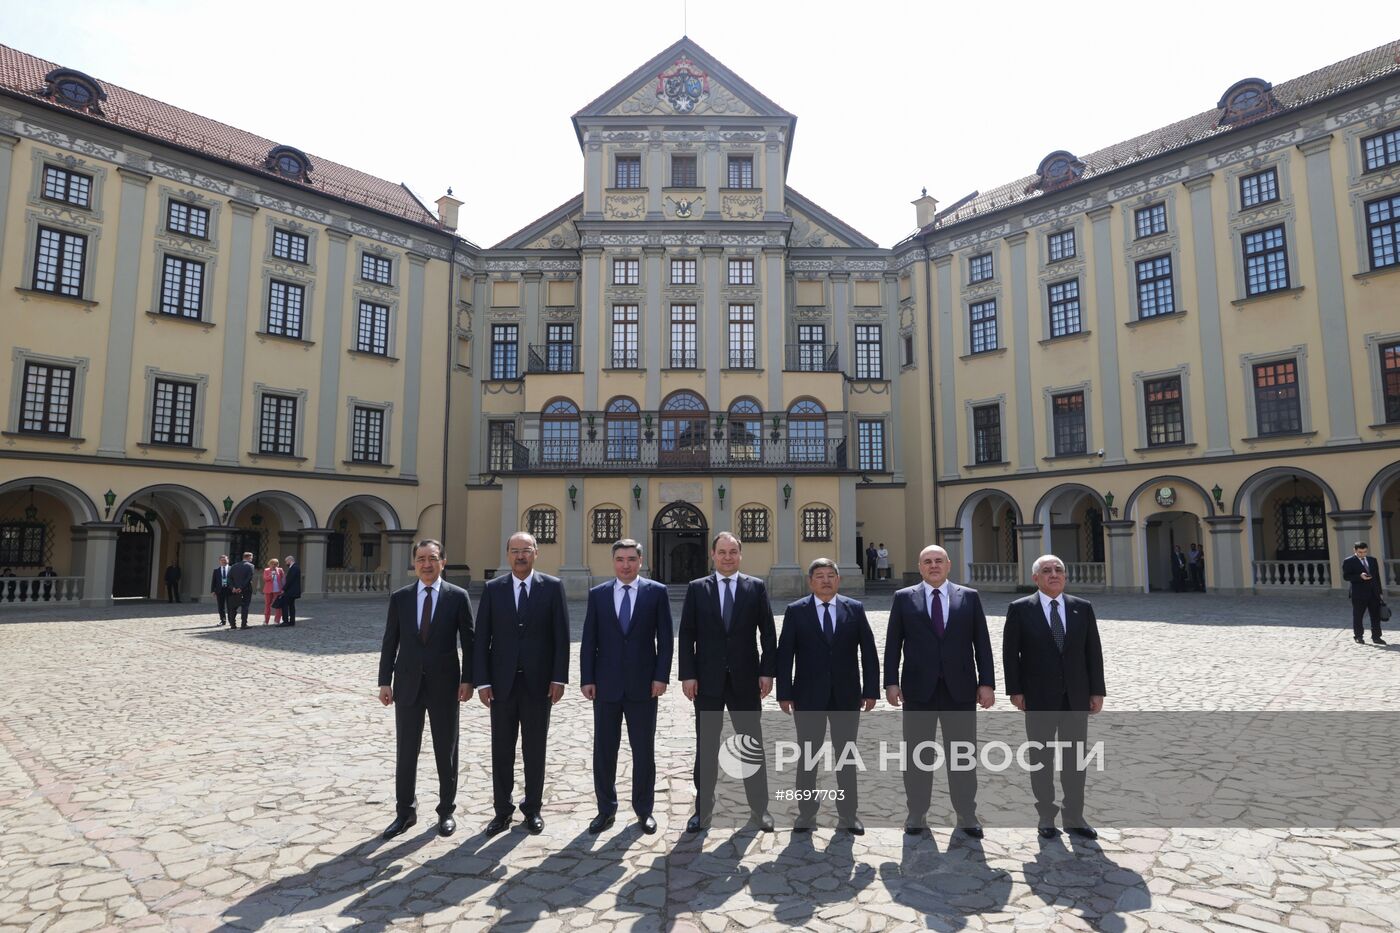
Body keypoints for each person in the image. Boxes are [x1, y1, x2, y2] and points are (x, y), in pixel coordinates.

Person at [885, 544, 996, 838]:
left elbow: (981, 643)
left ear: (948, 565)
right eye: (927, 562)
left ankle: (966, 813)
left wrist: (987, 683)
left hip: (960, 689)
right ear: (920, 567)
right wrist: (890, 682)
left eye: (938, 561)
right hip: (918, 689)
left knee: (962, 754)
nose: (933, 565)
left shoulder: (969, 598)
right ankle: (916, 813)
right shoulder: (903, 598)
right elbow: (893, 643)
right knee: (917, 755)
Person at [678, 531, 777, 833]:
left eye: (733, 552)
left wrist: (767, 671)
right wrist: (688, 675)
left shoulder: (755, 587)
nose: (727, 557)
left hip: (746, 680)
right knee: (707, 746)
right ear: (712, 555)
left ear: (740, 555)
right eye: (722, 552)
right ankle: (702, 809)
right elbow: (687, 635)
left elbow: (768, 634)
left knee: (750, 744)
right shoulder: (697, 589)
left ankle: (760, 810)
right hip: (707, 681)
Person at [1003, 554, 1106, 840]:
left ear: (1065, 576)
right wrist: (1015, 691)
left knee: (1075, 758)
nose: (1053, 574)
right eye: (1046, 571)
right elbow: (1011, 655)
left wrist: (1097, 690)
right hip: (1038, 696)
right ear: (1035, 578)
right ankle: (1046, 815)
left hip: (1076, 695)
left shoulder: (1081, 608)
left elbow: (1092, 652)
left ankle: (1074, 815)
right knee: (1041, 757)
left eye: (1058, 569)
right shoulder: (1020, 609)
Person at [377, 539, 474, 839]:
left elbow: (469, 643)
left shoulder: (457, 597)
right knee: (406, 751)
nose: (426, 564)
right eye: (421, 559)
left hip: (445, 685)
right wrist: (384, 681)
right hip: (406, 684)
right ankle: (405, 811)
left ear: (443, 561)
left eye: (432, 558)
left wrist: (468, 679)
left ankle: (446, 811)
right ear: (414, 563)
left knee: (446, 750)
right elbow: (390, 640)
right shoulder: (401, 597)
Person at [474, 532, 570, 836]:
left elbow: (561, 638)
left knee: (535, 749)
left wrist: (559, 678)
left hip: (539, 684)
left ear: (536, 553)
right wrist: (482, 682)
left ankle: (533, 809)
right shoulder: (493, 589)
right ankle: (502, 810)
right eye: (515, 551)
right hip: (501, 685)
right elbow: (482, 639)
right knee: (501, 749)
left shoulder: (552, 588)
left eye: (526, 551)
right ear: (507, 554)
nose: (520, 556)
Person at [776, 558, 879, 834]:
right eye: (819, 576)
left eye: (831, 575)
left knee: (846, 757)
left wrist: (871, 690)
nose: (825, 580)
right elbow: (784, 656)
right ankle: (806, 813)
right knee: (808, 757)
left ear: (838, 580)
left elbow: (868, 653)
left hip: (847, 696)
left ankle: (849, 815)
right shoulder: (796, 611)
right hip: (808, 696)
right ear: (811, 581)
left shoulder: (854, 609)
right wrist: (784, 693)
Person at [580, 538, 672, 835]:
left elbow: (666, 640)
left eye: (631, 559)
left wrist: (661, 677)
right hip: (605, 686)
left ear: (640, 561)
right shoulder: (598, 595)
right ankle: (605, 810)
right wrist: (587, 678)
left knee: (643, 750)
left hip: (644, 686)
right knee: (604, 751)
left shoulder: (656, 593)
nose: (626, 564)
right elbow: (589, 640)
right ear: (613, 561)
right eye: (620, 559)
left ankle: (644, 810)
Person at [1342, 541, 1387, 645]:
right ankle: (1358, 636)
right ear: (1355, 550)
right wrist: (1359, 576)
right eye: (1360, 552)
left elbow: (1377, 577)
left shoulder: (1372, 560)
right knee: (1358, 616)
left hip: (1373, 593)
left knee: (1375, 616)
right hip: (1358, 594)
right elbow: (1346, 577)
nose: (1362, 554)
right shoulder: (1348, 561)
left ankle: (1376, 637)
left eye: (1365, 552)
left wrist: (1379, 592)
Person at [226, 553, 256, 628]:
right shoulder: (251, 566)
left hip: (234, 590)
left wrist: (233, 588)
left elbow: (229, 578)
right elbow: (248, 578)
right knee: (245, 607)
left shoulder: (234, 566)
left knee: (233, 607)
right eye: (251, 558)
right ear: (248, 557)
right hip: (246, 589)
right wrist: (241, 588)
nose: (252, 559)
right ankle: (243, 624)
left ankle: (233, 625)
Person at [210, 555, 233, 626]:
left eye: (225, 560)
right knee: (221, 607)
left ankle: (231, 621)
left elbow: (235, 579)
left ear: (228, 560)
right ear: (220, 561)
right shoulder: (216, 570)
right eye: (222, 560)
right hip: (220, 590)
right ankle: (223, 621)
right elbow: (214, 581)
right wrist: (213, 590)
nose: (224, 561)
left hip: (230, 590)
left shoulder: (232, 569)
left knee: (230, 607)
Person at [262, 558, 284, 624]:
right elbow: (265, 579)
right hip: (268, 590)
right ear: (270, 564)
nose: (274, 565)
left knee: (278, 605)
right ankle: (266, 621)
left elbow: (283, 580)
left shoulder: (280, 570)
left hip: (277, 590)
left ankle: (277, 620)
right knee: (267, 605)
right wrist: (271, 575)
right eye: (272, 564)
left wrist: (283, 589)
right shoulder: (266, 570)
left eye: (276, 564)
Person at [280, 556, 301, 626]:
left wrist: (284, 589)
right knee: (291, 606)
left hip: (290, 591)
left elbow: (290, 580)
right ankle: (292, 621)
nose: (286, 563)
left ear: (290, 560)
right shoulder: (295, 567)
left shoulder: (294, 567)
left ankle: (285, 621)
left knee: (285, 605)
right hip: (292, 591)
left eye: (286, 561)